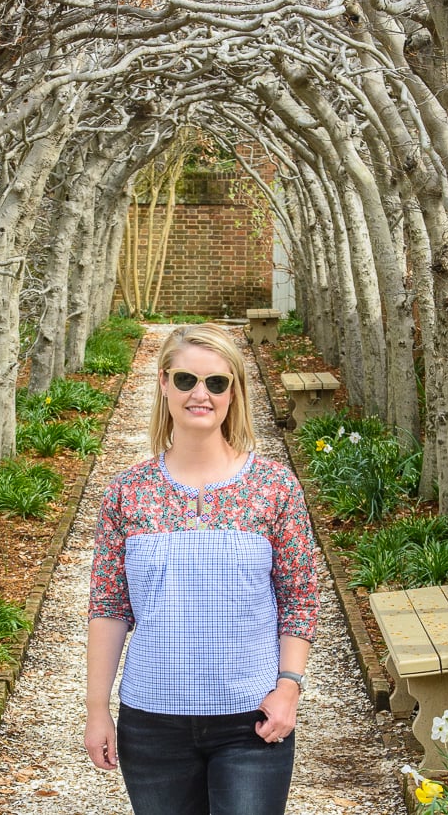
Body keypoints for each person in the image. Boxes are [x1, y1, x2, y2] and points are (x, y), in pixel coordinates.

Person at [84, 323, 319, 815]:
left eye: (216, 383)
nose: (201, 394)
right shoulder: (128, 492)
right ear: (164, 382)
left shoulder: (274, 487)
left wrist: (288, 689)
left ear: (234, 392)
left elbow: (299, 597)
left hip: (252, 721)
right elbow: (109, 606)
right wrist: (96, 710)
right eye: (187, 379)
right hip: (151, 723)